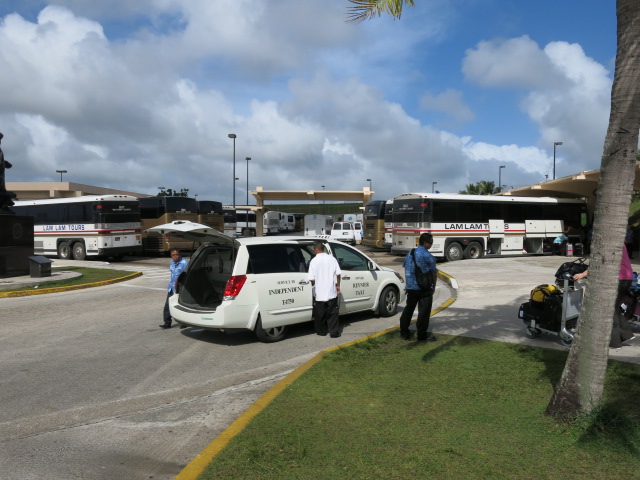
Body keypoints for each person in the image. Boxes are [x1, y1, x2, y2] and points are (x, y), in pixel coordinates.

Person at [573, 244, 635, 348]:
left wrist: (582, 274)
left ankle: (615, 342)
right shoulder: (620, 242)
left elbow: (600, 264)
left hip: (618, 278)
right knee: (614, 307)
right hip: (627, 277)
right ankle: (626, 334)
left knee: (609, 309)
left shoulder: (607, 242)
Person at [399, 232, 438, 342]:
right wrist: (433, 286)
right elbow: (434, 273)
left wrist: (408, 285)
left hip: (411, 288)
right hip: (424, 288)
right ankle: (422, 335)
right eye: (430, 243)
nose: (431, 245)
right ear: (425, 243)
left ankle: (404, 333)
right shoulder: (428, 256)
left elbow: (407, 269)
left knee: (408, 310)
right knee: (424, 312)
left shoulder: (410, 253)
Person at [308, 242, 342, 338]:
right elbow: (338, 274)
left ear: (316, 250)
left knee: (320, 314)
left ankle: (321, 332)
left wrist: (315, 285)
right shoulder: (332, 259)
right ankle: (334, 333)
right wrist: (338, 285)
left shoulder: (313, 261)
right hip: (331, 292)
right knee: (333, 314)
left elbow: (311, 278)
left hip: (319, 293)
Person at [160, 248, 189, 329]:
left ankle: (184, 322)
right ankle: (167, 323)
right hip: (172, 288)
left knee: (182, 306)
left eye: (176, 254)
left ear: (180, 255)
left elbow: (187, 276)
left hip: (181, 288)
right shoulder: (172, 262)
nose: (175, 256)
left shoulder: (185, 263)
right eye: (173, 255)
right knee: (167, 305)